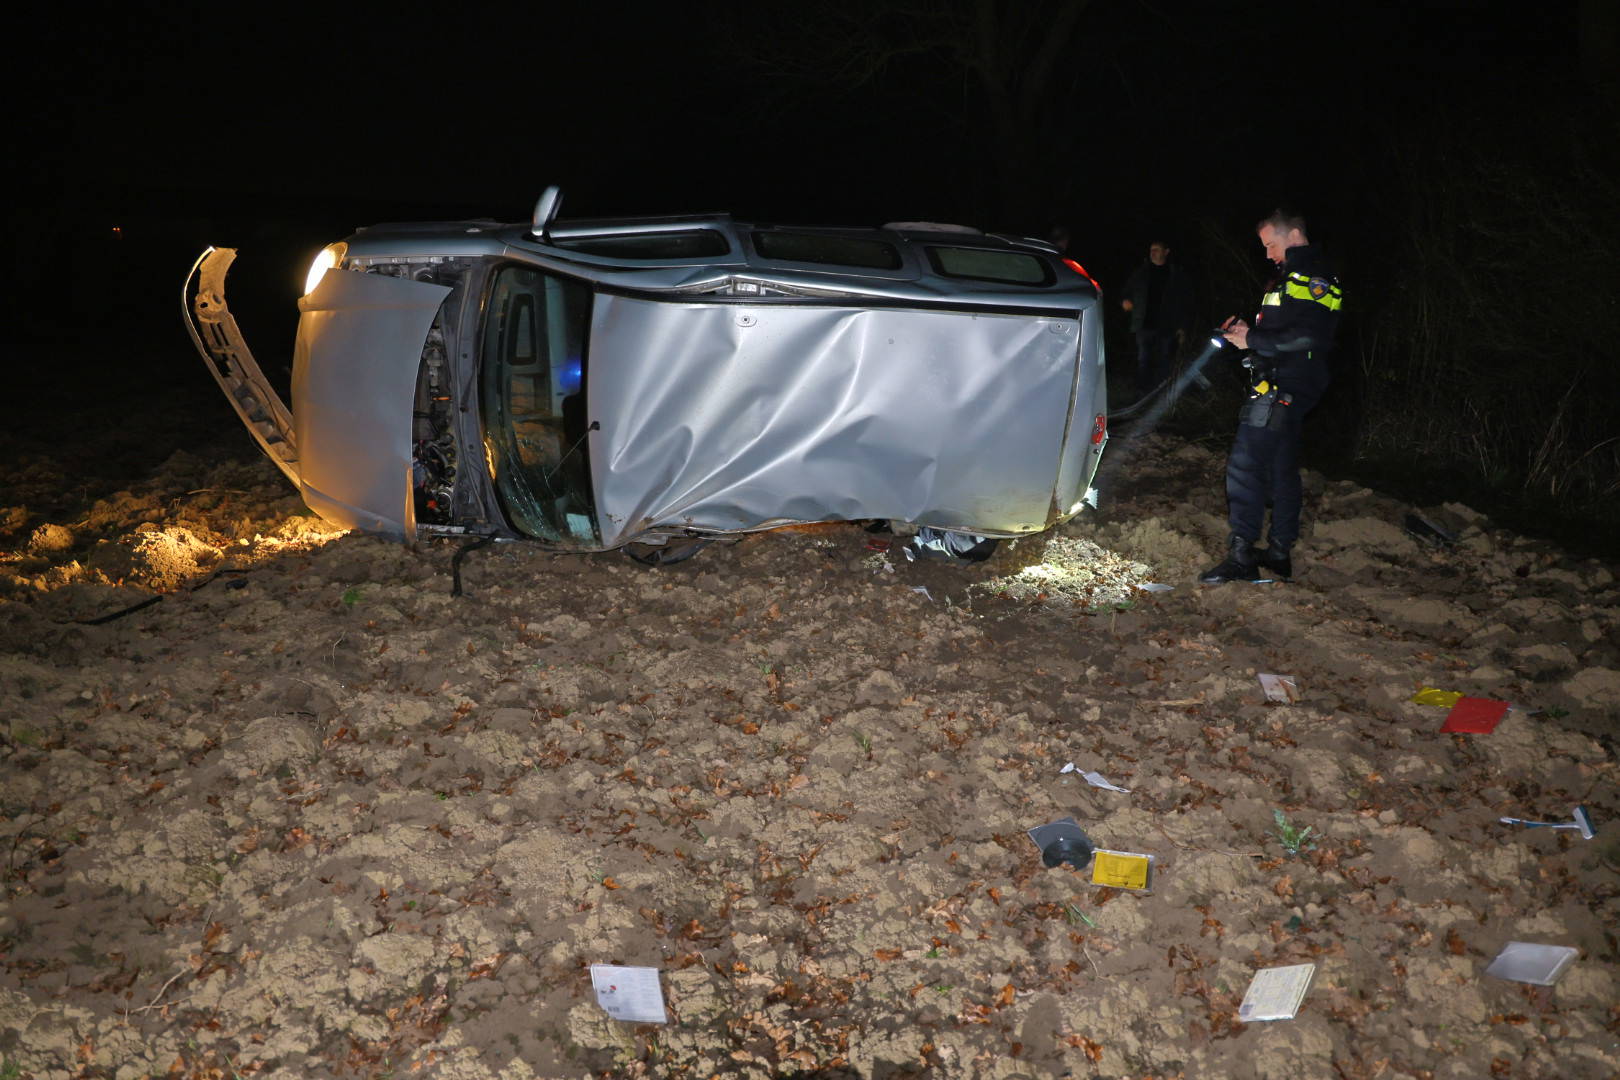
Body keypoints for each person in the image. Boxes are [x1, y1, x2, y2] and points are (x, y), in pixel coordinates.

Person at [1200, 209, 1343, 584]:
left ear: (1294, 235)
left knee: (1244, 464)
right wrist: (1247, 334)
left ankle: (1241, 555)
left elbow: (1309, 337)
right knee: (1281, 466)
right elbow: (1288, 330)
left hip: (1287, 384)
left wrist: (1252, 339)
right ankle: (1279, 552)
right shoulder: (1291, 277)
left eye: (1271, 244)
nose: (1267, 253)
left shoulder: (1313, 276)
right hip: (1284, 381)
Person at [1119, 240, 1196, 391]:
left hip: (1167, 326)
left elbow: (1184, 302)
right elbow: (1126, 291)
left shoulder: (1175, 275)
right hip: (1144, 325)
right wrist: (1125, 301)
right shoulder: (1142, 272)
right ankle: (1142, 392)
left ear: (1166, 252)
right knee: (1143, 360)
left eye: (1156, 249)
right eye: (1151, 250)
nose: (1153, 253)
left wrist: (1182, 327)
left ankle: (1160, 393)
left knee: (1164, 360)